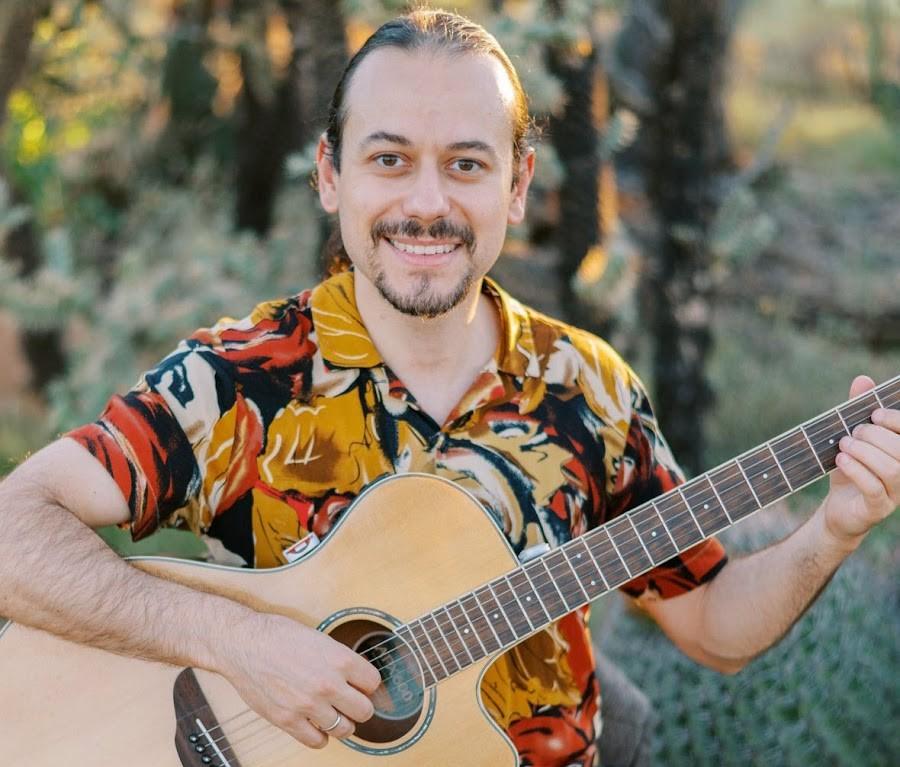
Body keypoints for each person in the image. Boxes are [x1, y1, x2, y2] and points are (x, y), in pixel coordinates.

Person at [0, 10, 897, 767]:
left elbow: (710, 624)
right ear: (328, 174)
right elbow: (14, 532)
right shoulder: (239, 377)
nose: (426, 203)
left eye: (466, 163)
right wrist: (236, 640)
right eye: (389, 158)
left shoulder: (587, 389)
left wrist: (834, 527)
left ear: (518, 184)